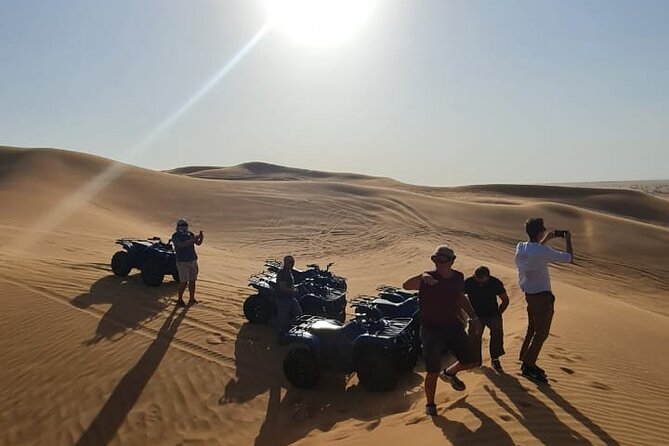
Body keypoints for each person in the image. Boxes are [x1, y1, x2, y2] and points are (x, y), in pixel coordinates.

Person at [403, 245, 481, 417]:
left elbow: (460, 297)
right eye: (435, 259)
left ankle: (449, 373)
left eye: (443, 260)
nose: (439, 263)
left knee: (472, 361)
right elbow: (406, 285)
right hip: (431, 329)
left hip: (453, 325)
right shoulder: (427, 279)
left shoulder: (459, 277)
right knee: (432, 370)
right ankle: (430, 404)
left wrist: (473, 317)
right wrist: (423, 275)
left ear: (452, 261)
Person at [515, 217, 573, 383]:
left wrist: (546, 239)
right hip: (542, 298)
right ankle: (529, 364)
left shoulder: (521, 247)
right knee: (542, 333)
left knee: (532, 329)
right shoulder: (542, 251)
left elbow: (535, 250)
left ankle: (524, 359)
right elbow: (569, 258)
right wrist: (568, 239)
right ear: (540, 232)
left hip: (530, 296)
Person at [464, 266, 510, 373]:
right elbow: (460, 297)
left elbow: (505, 300)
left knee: (497, 335)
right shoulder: (469, 282)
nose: (479, 281)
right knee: (474, 338)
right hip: (475, 315)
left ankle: (495, 359)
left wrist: (498, 314)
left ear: (487, 277)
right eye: (476, 278)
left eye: (481, 279)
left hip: (492, 314)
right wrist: (470, 314)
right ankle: (475, 362)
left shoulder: (495, 283)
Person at [171, 218, 204, 307]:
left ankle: (192, 298)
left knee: (193, 280)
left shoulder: (190, 234)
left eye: (185, 225)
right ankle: (180, 299)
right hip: (182, 261)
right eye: (182, 225)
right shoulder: (176, 235)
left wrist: (201, 238)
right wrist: (193, 240)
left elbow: (198, 243)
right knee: (184, 282)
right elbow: (181, 245)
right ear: (178, 226)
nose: (184, 227)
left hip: (192, 260)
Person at [275, 255, 303, 342]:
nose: (292, 264)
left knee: (298, 314)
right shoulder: (282, 273)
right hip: (283, 299)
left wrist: (295, 288)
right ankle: (281, 338)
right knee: (282, 320)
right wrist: (293, 291)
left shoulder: (289, 271)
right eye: (290, 262)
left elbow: (290, 285)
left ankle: (291, 333)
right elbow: (283, 288)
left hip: (290, 298)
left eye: (293, 262)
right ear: (285, 263)